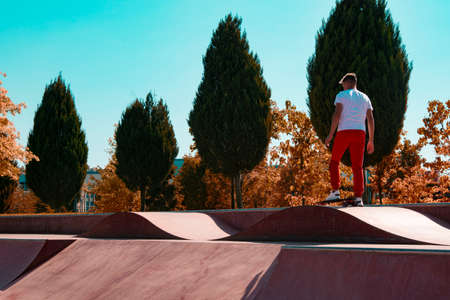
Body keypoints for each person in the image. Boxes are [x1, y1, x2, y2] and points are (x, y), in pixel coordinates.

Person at [324, 73, 375, 207]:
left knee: (334, 161)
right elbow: (370, 119)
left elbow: (337, 114)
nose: (342, 87)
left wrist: (330, 134)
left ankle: (335, 191)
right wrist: (371, 140)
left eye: (343, 84)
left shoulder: (342, 95)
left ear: (347, 83)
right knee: (357, 167)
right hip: (360, 133)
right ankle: (358, 198)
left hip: (344, 132)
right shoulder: (365, 97)